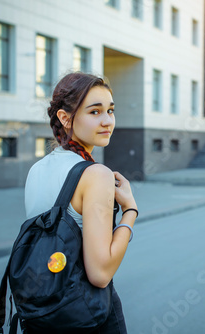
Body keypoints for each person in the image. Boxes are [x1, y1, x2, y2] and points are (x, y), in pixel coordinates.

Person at [24, 72, 137, 333]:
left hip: (42, 315)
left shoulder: (36, 170)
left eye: (110, 110)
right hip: (84, 315)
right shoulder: (96, 174)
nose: (107, 121)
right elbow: (100, 274)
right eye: (95, 112)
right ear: (65, 118)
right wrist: (130, 210)